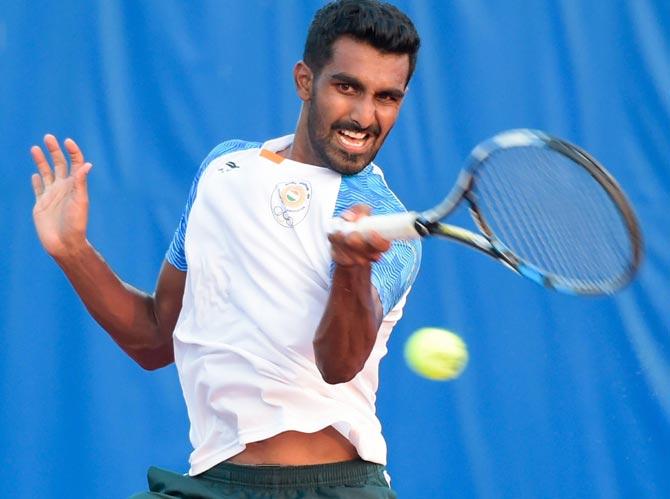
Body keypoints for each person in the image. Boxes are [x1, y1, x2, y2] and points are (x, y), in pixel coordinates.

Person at [29, 1, 422, 497]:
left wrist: (352, 269)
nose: (365, 116)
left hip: (331, 487)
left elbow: (338, 366)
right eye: (348, 87)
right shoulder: (224, 169)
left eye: (387, 97)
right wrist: (71, 249)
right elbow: (155, 339)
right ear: (305, 81)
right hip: (215, 480)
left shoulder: (385, 223)